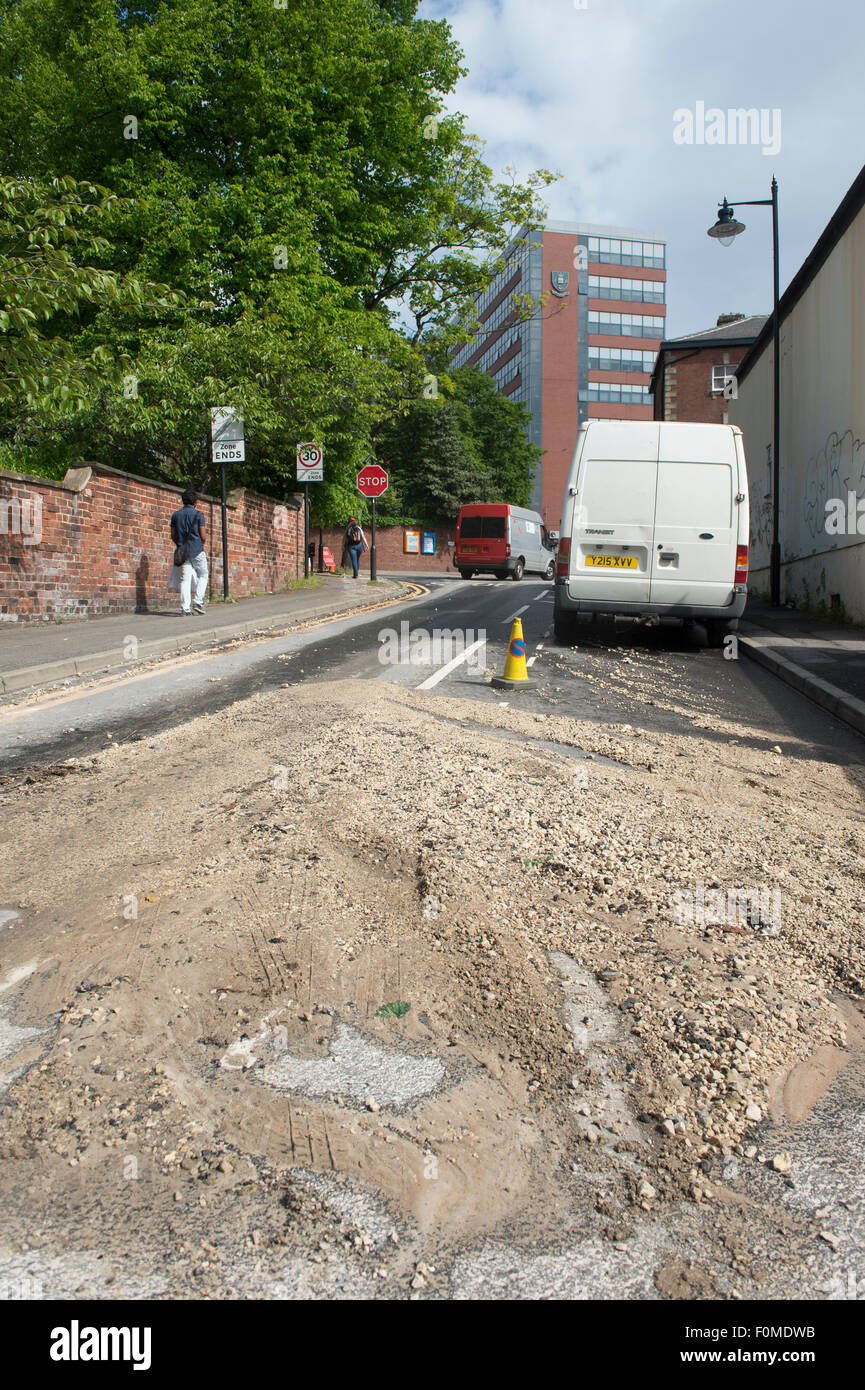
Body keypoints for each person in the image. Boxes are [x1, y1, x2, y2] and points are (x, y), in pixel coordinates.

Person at [169, 488, 208, 615]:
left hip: (183, 552)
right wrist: (201, 542)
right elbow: (203, 536)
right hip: (197, 550)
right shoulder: (199, 515)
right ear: (195, 501)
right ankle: (198, 601)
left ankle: (185, 608)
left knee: (184, 580)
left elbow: (173, 535)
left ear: (183, 501)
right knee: (203, 575)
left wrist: (180, 545)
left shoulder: (175, 515)